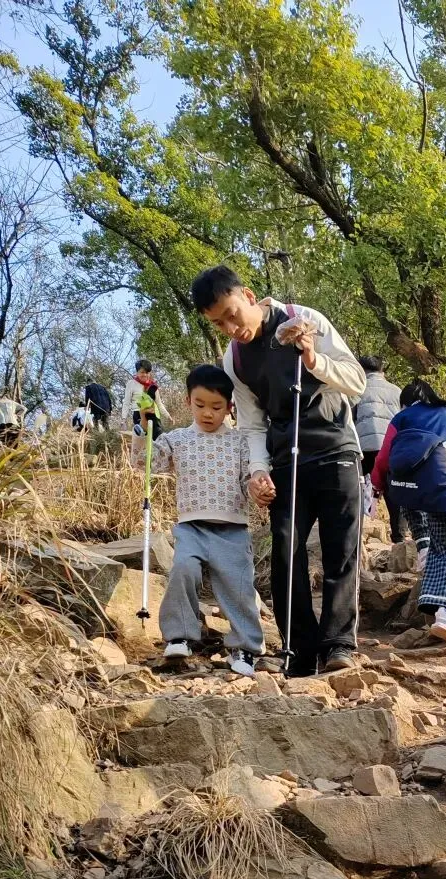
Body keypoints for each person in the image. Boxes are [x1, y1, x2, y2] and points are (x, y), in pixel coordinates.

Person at [190, 264, 367, 676]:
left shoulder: (303, 318)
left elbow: (356, 381)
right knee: (287, 552)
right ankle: (298, 653)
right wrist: (257, 471)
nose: (231, 328)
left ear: (248, 296)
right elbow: (252, 424)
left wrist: (313, 359)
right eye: (218, 324)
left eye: (232, 314)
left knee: (341, 551)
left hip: (336, 448)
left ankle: (339, 645)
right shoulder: (234, 359)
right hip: (287, 460)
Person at [134, 363, 265, 678]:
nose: (208, 413)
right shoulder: (177, 439)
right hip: (191, 526)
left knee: (238, 585)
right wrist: (144, 424)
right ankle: (179, 636)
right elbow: (145, 463)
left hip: (232, 528)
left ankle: (246, 647)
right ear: (188, 402)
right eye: (200, 404)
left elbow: (247, 479)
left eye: (217, 407)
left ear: (229, 407)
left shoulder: (239, 441)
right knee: (183, 569)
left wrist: (257, 487)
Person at [370, 379, 446, 645]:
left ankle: (424, 552)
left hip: (406, 487)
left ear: (405, 402)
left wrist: (376, 485)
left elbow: (384, 457)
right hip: (441, 480)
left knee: (416, 507)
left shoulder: (401, 418)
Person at [354, 354, 405, 532]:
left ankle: (361, 528)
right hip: (391, 447)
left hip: (364, 447)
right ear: (382, 370)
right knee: (394, 489)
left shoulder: (357, 389)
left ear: (361, 370)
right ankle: (399, 535)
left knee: (361, 486)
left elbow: (350, 419)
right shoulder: (396, 391)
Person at [121, 360, 171, 437]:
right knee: (143, 439)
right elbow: (126, 403)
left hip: (153, 414)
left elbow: (159, 404)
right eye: (142, 372)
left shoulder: (153, 386)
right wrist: (123, 419)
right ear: (137, 372)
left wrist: (168, 416)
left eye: (147, 373)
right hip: (139, 415)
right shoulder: (131, 384)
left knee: (159, 437)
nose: (144, 375)